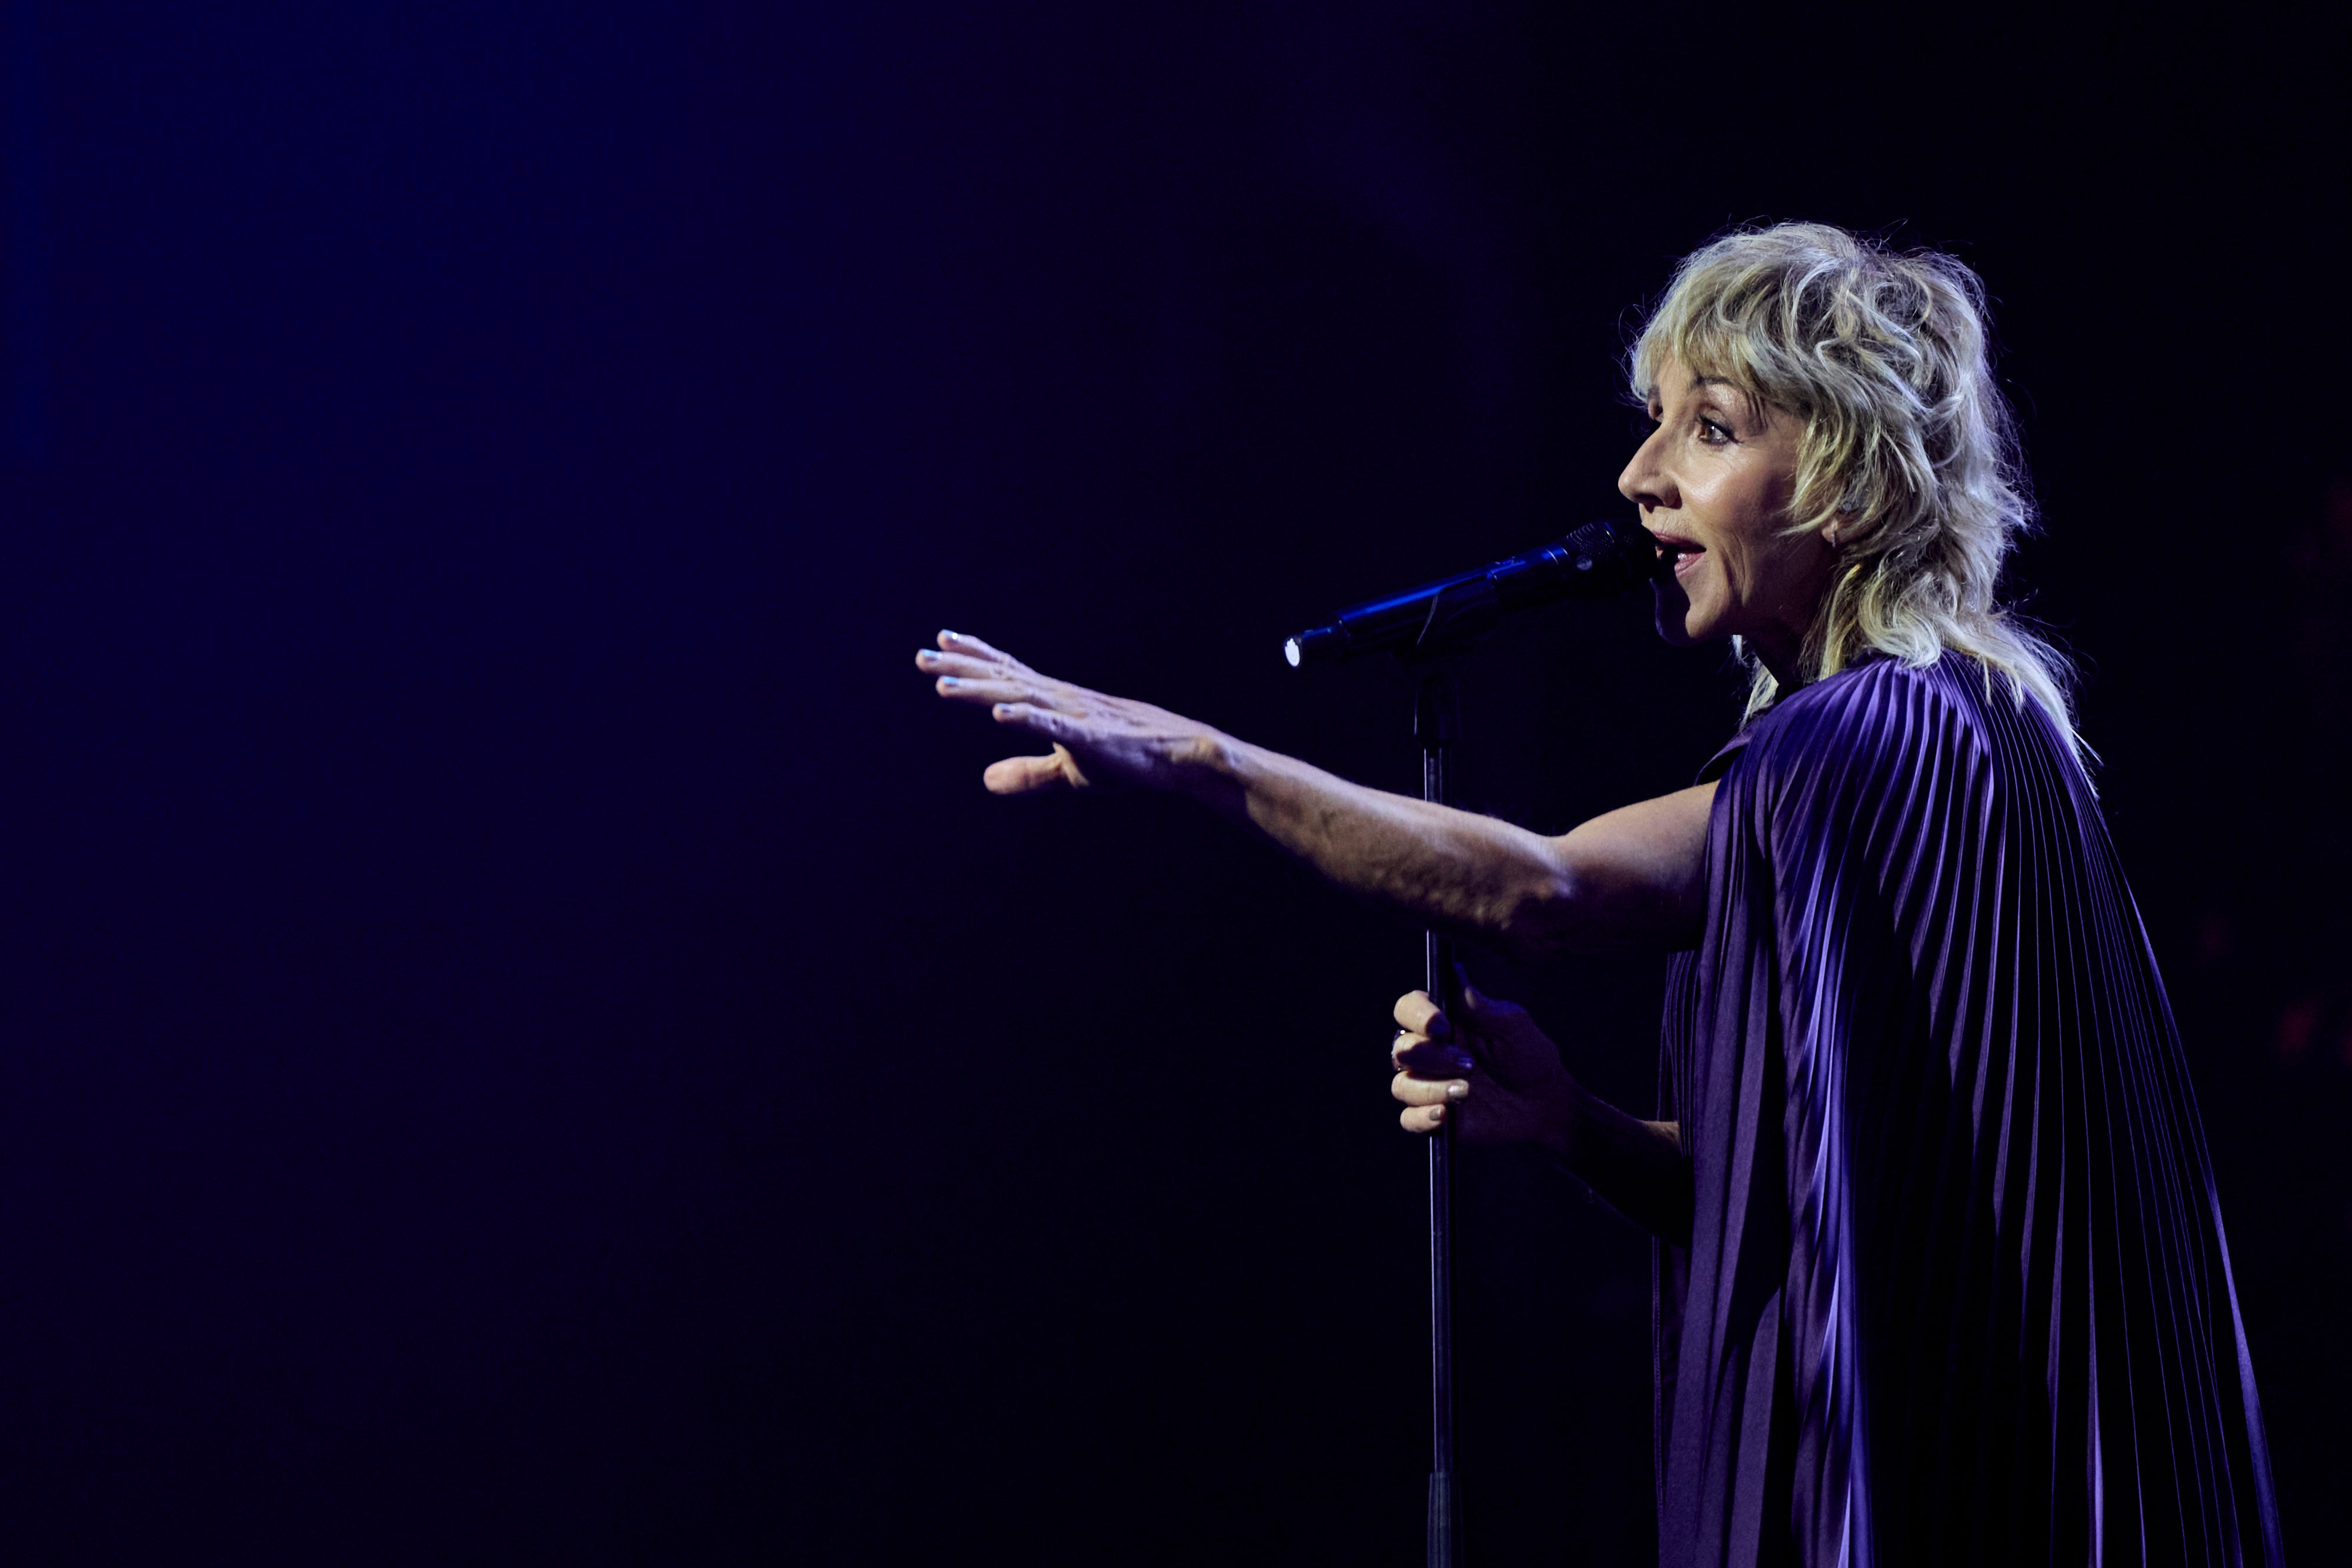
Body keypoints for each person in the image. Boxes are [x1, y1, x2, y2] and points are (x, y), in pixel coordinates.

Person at [920, 223, 2280, 1566]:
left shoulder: (1876, 735)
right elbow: (1827, 1203)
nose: (1637, 476)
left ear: (1852, 485)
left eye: (1709, 426)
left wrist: (1197, 758)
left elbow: (1544, 889)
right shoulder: (1959, 735)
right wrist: (1572, 1121)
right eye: (1652, 423)